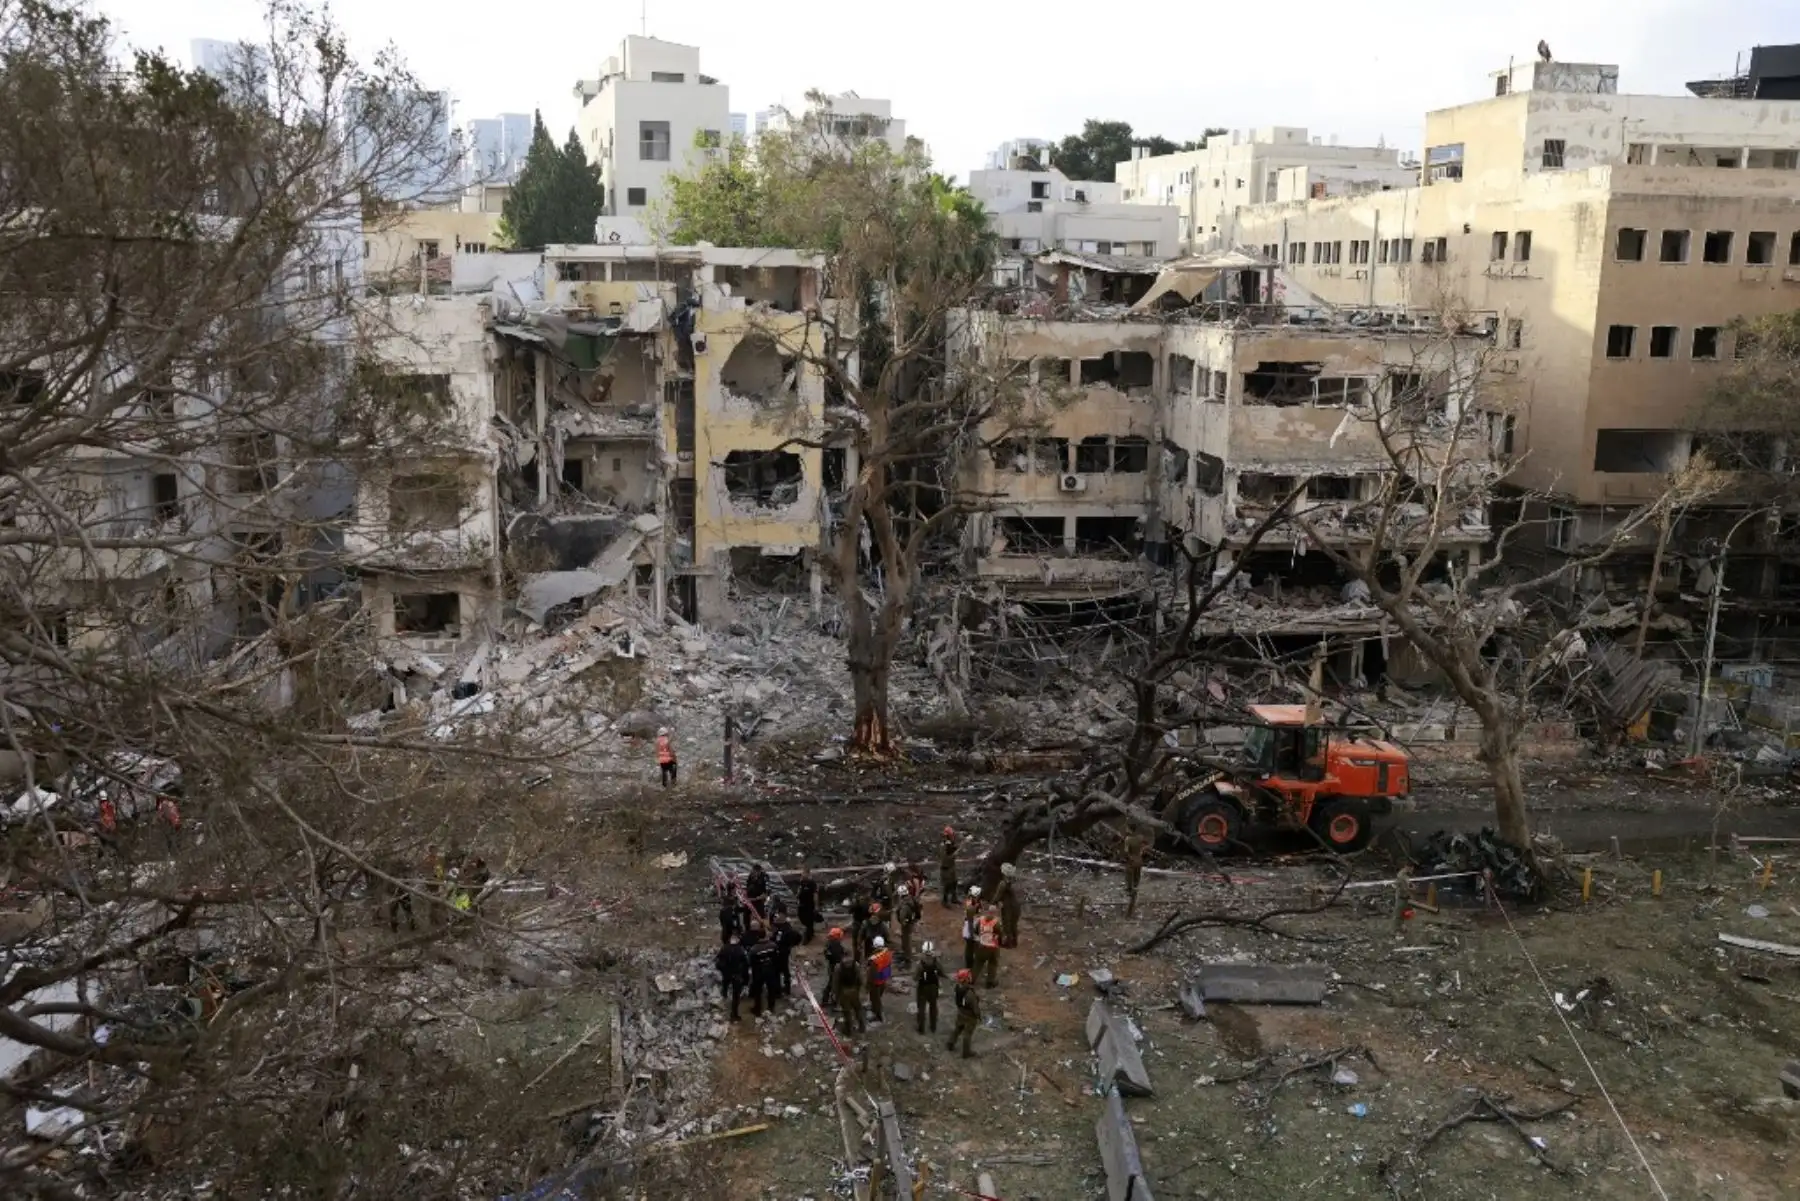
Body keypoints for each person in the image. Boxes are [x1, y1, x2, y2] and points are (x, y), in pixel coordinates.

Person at [746, 922, 780, 1016]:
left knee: (758, 991)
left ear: (758, 936)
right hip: (770, 971)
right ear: (765, 935)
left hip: (758, 972)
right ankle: (771, 1007)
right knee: (771, 990)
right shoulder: (773, 946)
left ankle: (757, 1009)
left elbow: (750, 962)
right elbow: (776, 958)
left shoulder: (754, 949)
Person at [715, 931, 750, 1021]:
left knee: (725, 983)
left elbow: (718, 960)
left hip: (726, 973)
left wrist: (723, 969)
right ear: (738, 940)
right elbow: (746, 963)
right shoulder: (740, 950)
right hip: (736, 975)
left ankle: (724, 994)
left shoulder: (724, 948)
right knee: (736, 995)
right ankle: (734, 1014)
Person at [947, 968, 981, 1058]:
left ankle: (950, 1043)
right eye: (968, 976)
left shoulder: (958, 988)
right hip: (970, 1016)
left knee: (958, 1028)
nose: (970, 977)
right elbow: (975, 1007)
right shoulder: (970, 993)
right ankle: (966, 1052)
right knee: (967, 1034)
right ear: (966, 979)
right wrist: (978, 1016)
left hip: (961, 1012)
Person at [914, 941, 943, 1035]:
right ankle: (933, 1027)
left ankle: (921, 1028)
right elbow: (941, 972)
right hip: (934, 987)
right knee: (933, 1007)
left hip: (923, 988)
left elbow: (915, 977)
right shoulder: (936, 960)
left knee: (921, 1008)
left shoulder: (920, 962)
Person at [834, 952, 865, 1036]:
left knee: (847, 1012)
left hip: (844, 992)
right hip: (854, 990)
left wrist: (836, 995)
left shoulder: (838, 967)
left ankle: (848, 1030)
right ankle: (862, 1026)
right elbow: (860, 979)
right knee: (857, 1009)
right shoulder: (856, 965)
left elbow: (836, 983)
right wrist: (858, 990)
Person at [773, 912, 801, 997]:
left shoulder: (783, 930)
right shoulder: (786, 928)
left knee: (778, 972)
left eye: (776, 920)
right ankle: (786, 989)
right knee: (785, 971)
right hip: (784, 951)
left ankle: (780, 991)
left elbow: (778, 940)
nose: (774, 921)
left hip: (781, 953)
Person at [866, 935, 893, 1023]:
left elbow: (871, 975)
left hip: (876, 982)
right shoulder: (887, 953)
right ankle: (875, 1009)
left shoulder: (875, 960)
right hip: (883, 979)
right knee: (878, 997)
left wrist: (868, 984)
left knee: (875, 999)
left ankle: (878, 1015)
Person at [996, 862, 1023, 948]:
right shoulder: (1014, 882)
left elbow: (997, 896)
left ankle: (1008, 943)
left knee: (1006, 925)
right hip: (1016, 905)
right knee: (1014, 924)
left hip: (1008, 906)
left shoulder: (1002, 884)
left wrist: (993, 902)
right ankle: (1015, 942)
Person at [1122, 831, 1148, 917]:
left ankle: (1130, 891)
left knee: (1129, 877)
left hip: (1132, 860)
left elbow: (1126, 851)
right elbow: (1145, 846)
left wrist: (1129, 858)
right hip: (1139, 860)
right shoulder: (1140, 837)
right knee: (1137, 877)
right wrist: (1140, 853)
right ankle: (1135, 890)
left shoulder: (1128, 839)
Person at [975, 904, 1001, 988]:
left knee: (978, 964)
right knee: (992, 964)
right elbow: (1000, 934)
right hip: (992, 947)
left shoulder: (981, 920)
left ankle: (971, 980)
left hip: (981, 945)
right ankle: (989, 983)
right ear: (995, 913)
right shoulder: (996, 923)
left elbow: (975, 930)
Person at [897, 881, 923, 964]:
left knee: (906, 940)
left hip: (907, 924)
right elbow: (919, 906)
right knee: (907, 938)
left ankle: (907, 957)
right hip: (911, 921)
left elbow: (902, 916)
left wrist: (903, 923)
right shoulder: (911, 898)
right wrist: (917, 918)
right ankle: (907, 954)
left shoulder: (904, 905)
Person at [822, 927, 848, 1005]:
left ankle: (825, 1000)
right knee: (835, 984)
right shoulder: (834, 945)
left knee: (831, 983)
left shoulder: (830, 944)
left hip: (832, 965)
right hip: (835, 966)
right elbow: (837, 957)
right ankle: (833, 1001)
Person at [796, 867, 821, 944]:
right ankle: (810, 932)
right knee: (801, 917)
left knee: (809, 921)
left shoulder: (812, 883)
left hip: (809, 905)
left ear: (808, 874)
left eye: (804, 873)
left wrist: (816, 906)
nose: (802, 874)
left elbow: (815, 895)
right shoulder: (802, 882)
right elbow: (799, 891)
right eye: (802, 873)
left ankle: (807, 938)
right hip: (801, 904)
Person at [961, 886, 982, 971]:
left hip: (973, 924)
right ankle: (969, 964)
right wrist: (972, 933)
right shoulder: (971, 907)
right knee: (970, 946)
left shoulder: (974, 903)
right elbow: (970, 922)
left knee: (972, 946)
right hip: (970, 927)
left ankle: (971, 962)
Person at [848, 882, 872, 954]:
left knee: (858, 944)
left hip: (859, 923)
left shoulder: (857, 899)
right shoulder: (867, 901)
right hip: (864, 924)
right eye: (869, 891)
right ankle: (865, 959)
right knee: (867, 943)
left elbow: (850, 911)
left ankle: (857, 960)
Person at [938, 827, 959, 907]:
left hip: (951, 867)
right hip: (946, 868)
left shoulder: (949, 844)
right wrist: (955, 854)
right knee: (947, 885)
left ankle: (954, 898)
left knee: (954, 882)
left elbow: (953, 849)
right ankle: (945, 901)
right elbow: (947, 857)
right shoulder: (944, 845)